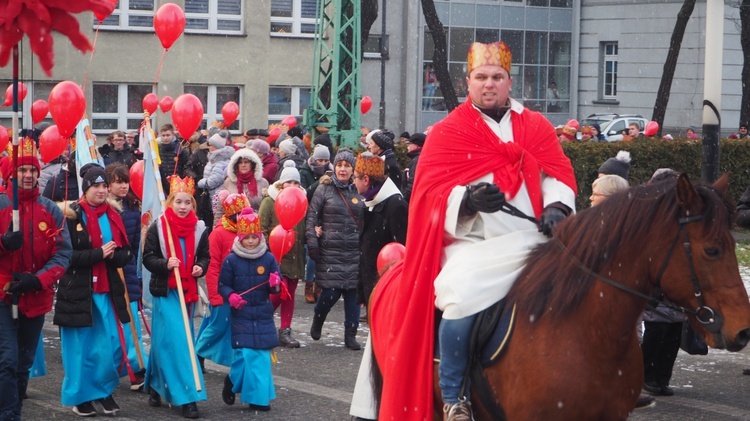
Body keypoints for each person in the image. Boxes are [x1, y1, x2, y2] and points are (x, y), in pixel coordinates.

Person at [370, 41, 577, 421]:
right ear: (469, 82)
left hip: (532, 239)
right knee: (461, 294)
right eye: (481, 77)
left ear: (509, 82)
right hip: (471, 244)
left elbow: (557, 173)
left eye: (497, 77)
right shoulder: (449, 132)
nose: (489, 84)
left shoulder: (535, 126)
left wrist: (556, 207)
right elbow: (427, 194)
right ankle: (455, 396)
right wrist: (466, 201)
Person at [0, 138, 72, 420]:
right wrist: (4, 243)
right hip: (4, 296)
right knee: (6, 360)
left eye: (32, 170)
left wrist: (38, 280)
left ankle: (13, 408)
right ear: (11, 174)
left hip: (35, 296)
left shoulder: (50, 210)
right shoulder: (2, 205)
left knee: (22, 363)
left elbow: (62, 254)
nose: (28, 175)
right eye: (22, 171)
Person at [55, 163, 132, 417]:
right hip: (78, 291)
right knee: (80, 349)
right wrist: (98, 254)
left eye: (103, 186)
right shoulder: (71, 215)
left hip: (107, 291)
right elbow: (65, 256)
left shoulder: (113, 214)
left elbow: (124, 253)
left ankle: (101, 389)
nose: (101, 191)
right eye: (95, 186)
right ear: (86, 188)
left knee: (110, 346)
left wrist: (117, 255)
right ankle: (81, 396)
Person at [142, 175, 209, 419]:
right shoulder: (159, 227)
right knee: (179, 343)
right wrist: (164, 263)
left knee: (167, 341)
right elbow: (147, 258)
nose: (182, 207)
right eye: (178, 202)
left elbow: (205, 256)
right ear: (170, 202)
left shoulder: (200, 228)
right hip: (166, 292)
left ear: (193, 204)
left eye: (187, 202)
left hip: (187, 293)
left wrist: (200, 266)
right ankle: (188, 397)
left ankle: (156, 384)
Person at [349, 152, 408, 419]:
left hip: (390, 290)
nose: (353, 182)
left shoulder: (395, 205)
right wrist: (362, 291)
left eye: (355, 178)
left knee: (383, 350)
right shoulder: (370, 204)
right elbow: (365, 252)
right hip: (375, 289)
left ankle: (376, 405)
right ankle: (371, 404)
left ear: (365, 178)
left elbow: (404, 248)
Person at [218, 207, 281, 412]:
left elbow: (276, 287)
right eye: (247, 237)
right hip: (241, 313)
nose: (251, 241)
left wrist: (275, 283)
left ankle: (259, 399)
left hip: (262, 312)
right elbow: (223, 285)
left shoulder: (269, 259)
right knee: (244, 356)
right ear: (240, 237)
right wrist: (231, 296)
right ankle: (232, 380)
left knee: (261, 357)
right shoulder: (231, 260)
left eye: (255, 237)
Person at [305, 148, 364, 349]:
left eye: (347, 166)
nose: (343, 169)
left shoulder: (360, 189)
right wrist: (313, 242)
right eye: (339, 165)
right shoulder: (324, 189)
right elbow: (312, 217)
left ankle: (350, 334)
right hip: (331, 251)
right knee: (329, 294)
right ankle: (318, 319)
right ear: (334, 167)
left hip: (355, 251)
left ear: (353, 169)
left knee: (353, 296)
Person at [195, 192, 251, 371]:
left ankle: (199, 354)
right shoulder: (218, 234)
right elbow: (212, 268)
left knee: (212, 324)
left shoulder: (246, 234)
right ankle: (197, 353)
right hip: (222, 291)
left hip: (238, 291)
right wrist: (214, 295)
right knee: (217, 326)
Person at [104, 163, 148, 391]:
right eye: (117, 181)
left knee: (131, 322)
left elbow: (134, 244)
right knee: (111, 324)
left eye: (125, 181)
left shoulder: (132, 207)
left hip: (128, 269)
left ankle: (137, 368)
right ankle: (116, 367)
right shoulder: (105, 210)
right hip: (108, 270)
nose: (123, 186)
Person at [259, 165, 306, 348]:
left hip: (295, 255)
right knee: (279, 292)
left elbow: (303, 225)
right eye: (288, 182)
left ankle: (285, 330)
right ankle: (261, 320)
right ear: (281, 183)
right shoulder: (269, 201)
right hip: (275, 255)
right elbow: (261, 228)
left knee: (290, 294)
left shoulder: (302, 201)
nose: (292, 185)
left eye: (296, 182)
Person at [197, 130, 235, 228]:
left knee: (212, 222)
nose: (208, 147)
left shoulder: (221, 161)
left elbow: (213, 181)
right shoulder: (214, 159)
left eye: (210, 145)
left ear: (215, 147)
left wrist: (201, 182)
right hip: (210, 196)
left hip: (215, 197)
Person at [221, 148, 269, 213]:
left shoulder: (263, 182)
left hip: (256, 220)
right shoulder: (229, 182)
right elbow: (221, 207)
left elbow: (267, 207)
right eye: (240, 163)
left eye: (246, 162)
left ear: (252, 164)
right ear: (236, 165)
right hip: (233, 221)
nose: (243, 165)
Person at [157, 124, 190, 196]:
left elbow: (188, 165)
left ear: (173, 135)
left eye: (168, 135)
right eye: (163, 135)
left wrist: (182, 177)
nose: (165, 138)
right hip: (161, 184)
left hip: (177, 184)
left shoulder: (180, 150)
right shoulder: (158, 150)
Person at [403, 133, 425, 202]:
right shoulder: (417, 159)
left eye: (410, 144)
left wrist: (404, 199)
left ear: (417, 146)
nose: (408, 146)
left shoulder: (417, 161)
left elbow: (411, 185)